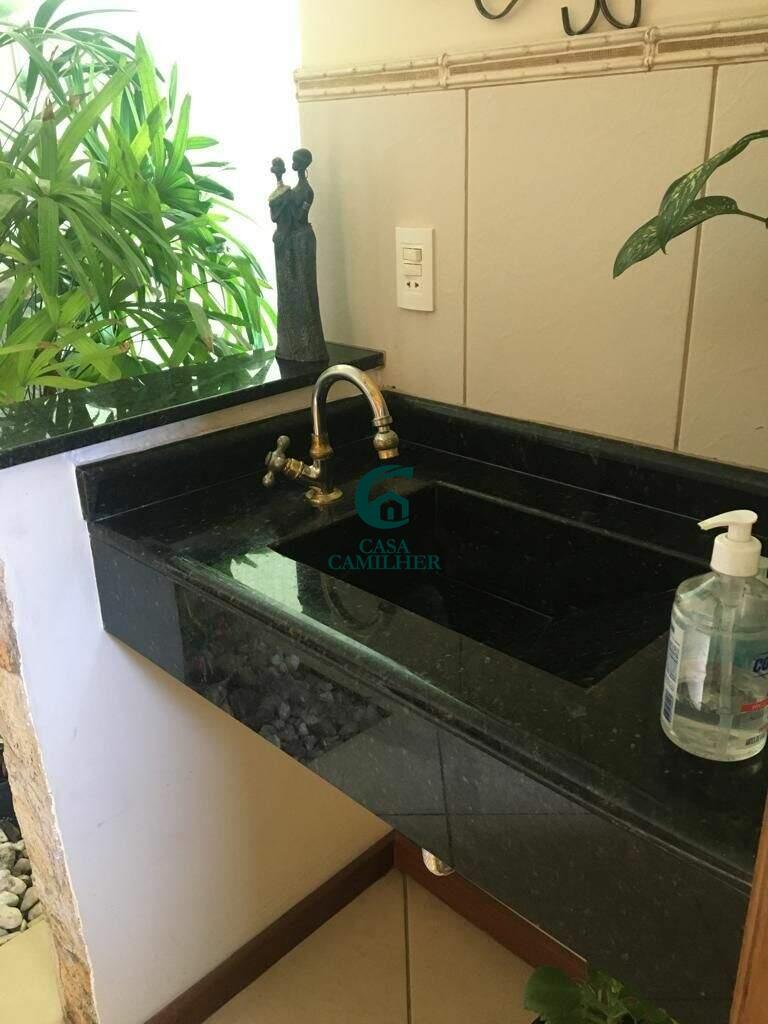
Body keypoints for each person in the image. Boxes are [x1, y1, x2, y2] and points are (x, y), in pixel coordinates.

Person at [268, 149, 327, 362]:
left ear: (303, 164)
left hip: (301, 242)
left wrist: (283, 200)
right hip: (289, 241)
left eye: (296, 161)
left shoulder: (307, 191)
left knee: (304, 292)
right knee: (288, 292)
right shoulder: (292, 190)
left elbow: (299, 217)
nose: (293, 164)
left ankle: (308, 347)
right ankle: (290, 345)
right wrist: (279, 181)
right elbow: (282, 214)